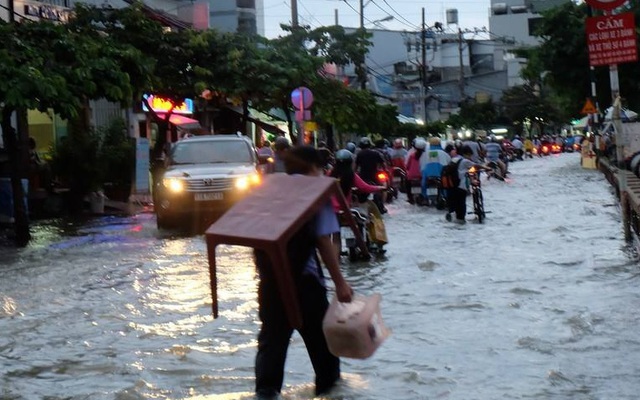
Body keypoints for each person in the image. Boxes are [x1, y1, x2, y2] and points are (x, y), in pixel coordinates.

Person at [253, 145, 353, 398]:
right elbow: (323, 241)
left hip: (270, 282)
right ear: (313, 168)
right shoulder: (316, 194)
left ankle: (266, 391)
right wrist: (340, 283)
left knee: (271, 344)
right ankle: (328, 392)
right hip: (305, 284)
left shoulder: (268, 190)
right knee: (323, 349)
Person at [328, 149, 386, 257]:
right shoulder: (352, 175)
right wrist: (380, 188)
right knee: (361, 222)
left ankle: (336, 260)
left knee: (335, 237)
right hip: (346, 209)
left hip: (331, 211)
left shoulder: (330, 174)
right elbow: (365, 187)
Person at [445, 145, 489, 224]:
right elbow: (476, 166)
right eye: (470, 155)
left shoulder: (453, 160)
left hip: (450, 186)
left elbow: (466, 169)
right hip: (460, 186)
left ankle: (451, 216)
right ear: (467, 154)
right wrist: (487, 168)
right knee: (461, 205)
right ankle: (461, 222)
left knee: (453, 204)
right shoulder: (465, 161)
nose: (470, 157)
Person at [355, 137, 387, 213]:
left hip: (363, 177)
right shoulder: (376, 153)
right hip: (375, 177)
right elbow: (383, 164)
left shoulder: (359, 154)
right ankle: (382, 206)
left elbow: (355, 168)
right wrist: (385, 170)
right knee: (383, 188)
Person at [405, 138, 427, 204]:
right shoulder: (426, 155)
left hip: (411, 176)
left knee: (407, 184)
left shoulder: (412, 155)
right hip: (422, 176)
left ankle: (410, 198)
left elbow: (407, 165)